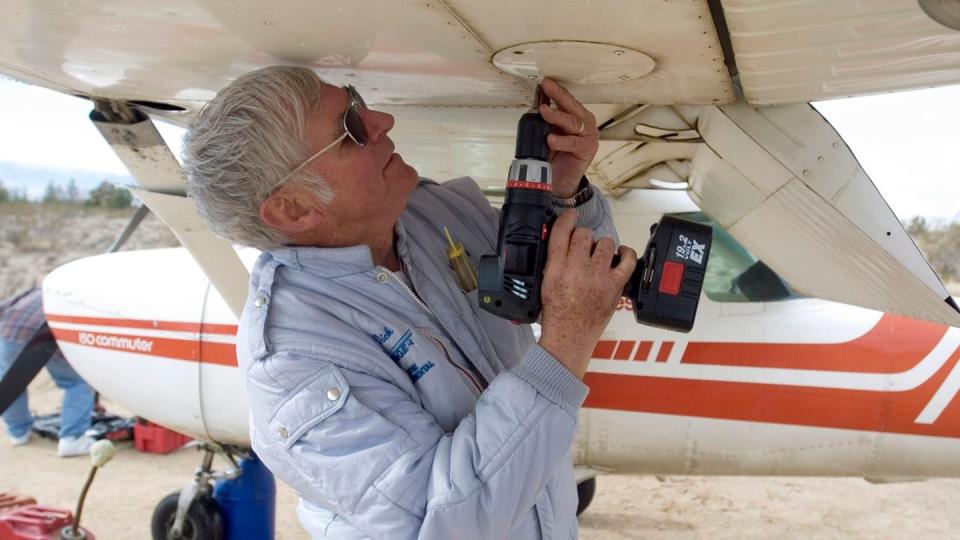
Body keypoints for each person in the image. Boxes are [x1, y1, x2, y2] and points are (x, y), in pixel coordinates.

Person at [184, 65, 636, 539]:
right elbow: (446, 521)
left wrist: (563, 191)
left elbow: (558, 284)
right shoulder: (294, 360)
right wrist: (566, 345)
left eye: (357, 102)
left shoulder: (430, 212)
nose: (381, 120)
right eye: (351, 129)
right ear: (293, 209)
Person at [0, 288, 97, 457]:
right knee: (77, 382)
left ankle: (18, 433)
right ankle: (72, 439)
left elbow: (4, 307)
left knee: (12, 381)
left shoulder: (41, 289)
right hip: (47, 334)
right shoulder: (84, 297)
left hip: (11, 329)